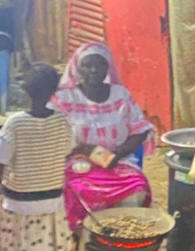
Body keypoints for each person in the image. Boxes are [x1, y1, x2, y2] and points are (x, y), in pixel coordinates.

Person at [49, 42, 155, 231]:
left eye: (100, 65)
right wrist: (82, 149)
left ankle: (123, 235)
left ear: (108, 68)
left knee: (137, 187)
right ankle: (83, 238)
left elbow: (140, 129)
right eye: (87, 65)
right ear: (77, 68)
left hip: (118, 162)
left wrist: (119, 152)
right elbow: (51, 133)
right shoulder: (66, 98)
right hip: (77, 163)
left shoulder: (120, 95)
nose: (94, 70)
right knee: (76, 190)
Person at [0, 63, 74, 251]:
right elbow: (67, 150)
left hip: (18, 203)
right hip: (51, 201)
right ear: (54, 91)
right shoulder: (62, 121)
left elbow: (0, 159)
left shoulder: (15, 123)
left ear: (25, 89)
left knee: (18, 244)